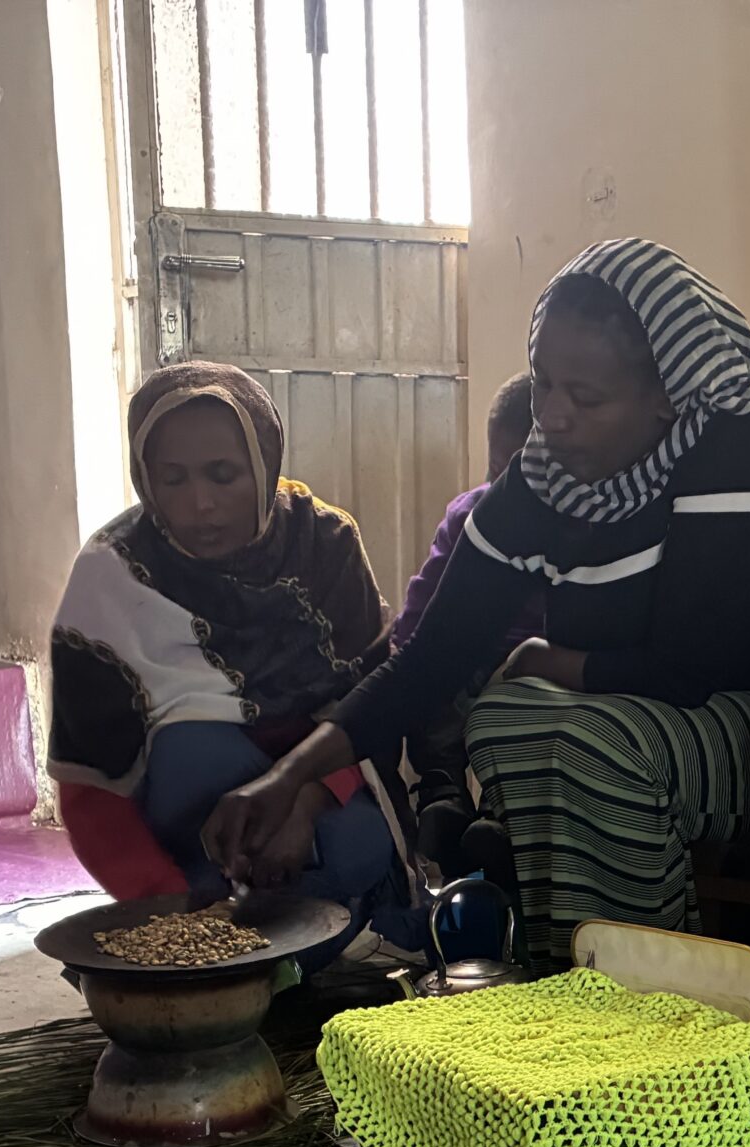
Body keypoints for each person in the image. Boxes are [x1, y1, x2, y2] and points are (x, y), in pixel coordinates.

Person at [203, 238, 750, 964]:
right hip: (628, 724)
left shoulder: (730, 447)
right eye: (543, 384)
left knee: (578, 736)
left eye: (586, 397)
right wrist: (289, 776)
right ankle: (580, 969)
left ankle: (631, 987)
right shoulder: (543, 477)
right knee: (512, 713)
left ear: (667, 395)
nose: (554, 416)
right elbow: (427, 664)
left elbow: (688, 669)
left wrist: (550, 656)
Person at [49, 362, 454, 942]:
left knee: (356, 845)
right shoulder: (111, 579)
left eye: (224, 475)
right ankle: (235, 923)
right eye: (173, 480)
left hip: (316, 803)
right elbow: (90, 787)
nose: (201, 503)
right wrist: (170, 915)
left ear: (264, 465)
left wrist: (306, 802)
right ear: (144, 479)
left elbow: (372, 709)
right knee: (193, 752)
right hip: (188, 845)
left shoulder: (324, 545)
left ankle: (315, 924)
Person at [388, 373, 538, 886]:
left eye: (522, 477)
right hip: (465, 656)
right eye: (496, 472)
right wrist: (404, 654)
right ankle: (444, 794)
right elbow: (420, 613)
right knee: (428, 684)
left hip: (527, 673)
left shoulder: (575, 529)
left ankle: (495, 812)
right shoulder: (468, 515)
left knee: (520, 716)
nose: (505, 491)